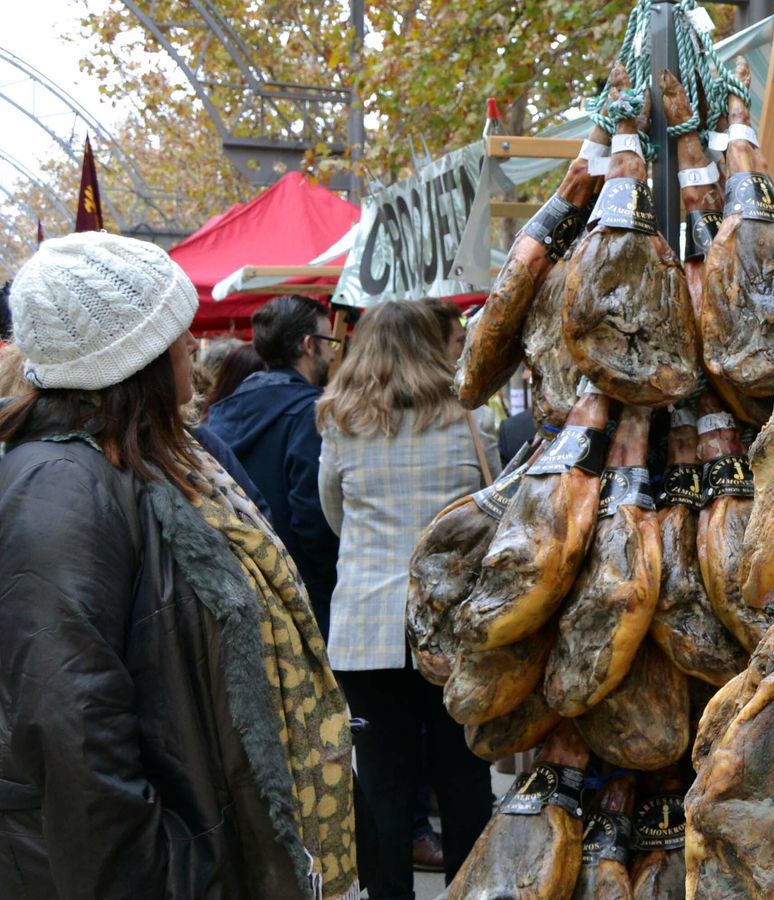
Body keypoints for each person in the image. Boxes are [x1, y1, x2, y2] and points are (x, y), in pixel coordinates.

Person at [0, 232, 358, 897]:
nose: (192, 344)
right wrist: (181, 873)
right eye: (177, 331)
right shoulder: (63, 484)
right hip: (159, 868)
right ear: (138, 355)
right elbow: (73, 731)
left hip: (198, 841)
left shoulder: (156, 461)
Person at [317, 300, 497, 896]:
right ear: (432, 344)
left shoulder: (340, 424)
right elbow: (493, 511)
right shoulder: (471, 417)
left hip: (367, 624)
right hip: (453, 624)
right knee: (464, 776)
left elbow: (334, 516)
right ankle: (467, 889)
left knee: (382, 783)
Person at [208, 294, 341, 634]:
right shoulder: (310, 413)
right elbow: (313, 518)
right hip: (299, 597)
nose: (333, 352)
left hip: (237, 588)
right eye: (329, 341)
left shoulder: (224, 410)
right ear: (309, 345)